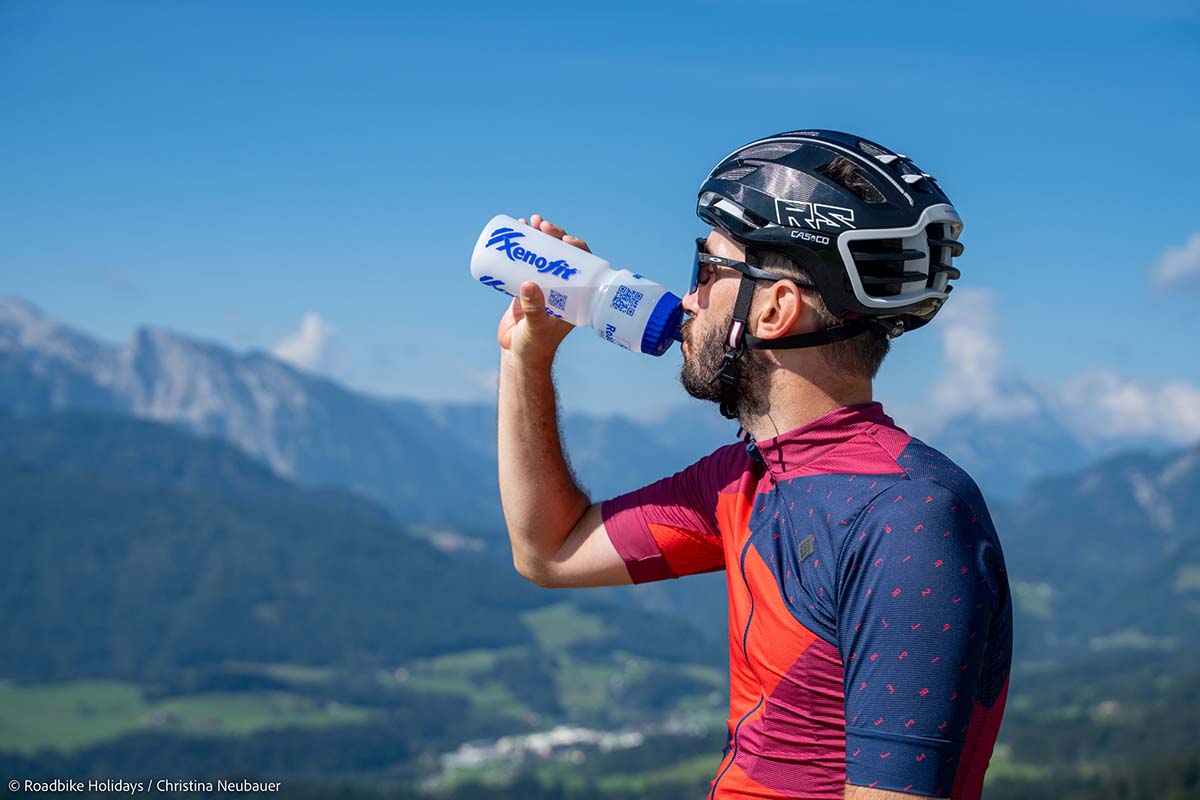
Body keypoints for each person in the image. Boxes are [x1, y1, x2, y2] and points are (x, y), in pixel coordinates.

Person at [494, 130, 1012, 800]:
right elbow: (550, 551)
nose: (688, 300)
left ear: (774, 309)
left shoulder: (908, 517)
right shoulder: (746, 476)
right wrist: (526, 357)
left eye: (707, 272)